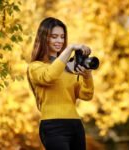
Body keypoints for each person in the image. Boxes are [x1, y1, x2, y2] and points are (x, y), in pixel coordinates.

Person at [26, 17, 94, 150]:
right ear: (44, 38)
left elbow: (86, 95)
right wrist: (69, 49)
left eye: (62, 37)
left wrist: (87, 77)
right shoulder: (35, 67)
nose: (59, 41)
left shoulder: (69, 67)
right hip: (53, 127)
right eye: (54, 37)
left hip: (75, 125)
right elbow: (49, 76)